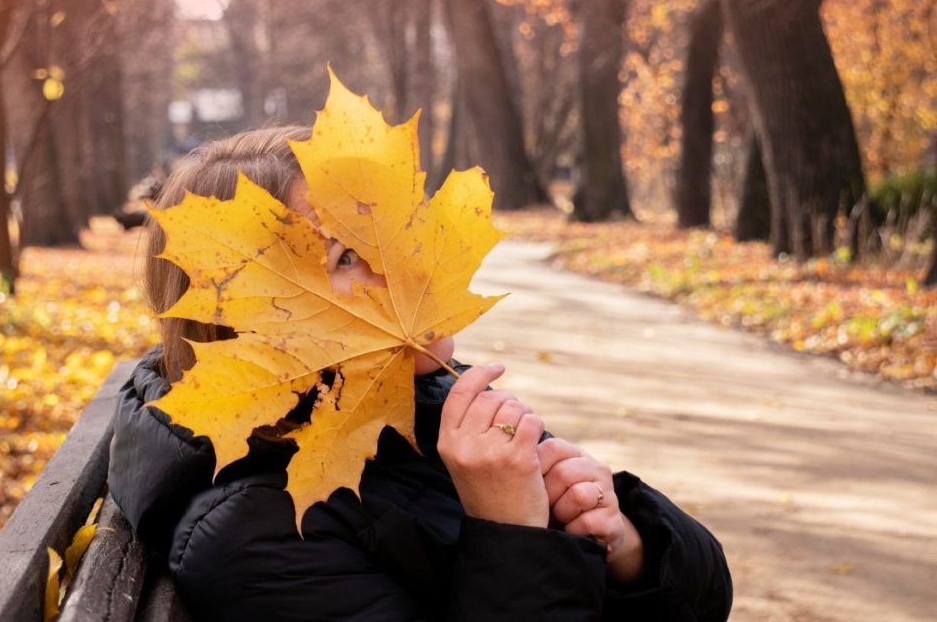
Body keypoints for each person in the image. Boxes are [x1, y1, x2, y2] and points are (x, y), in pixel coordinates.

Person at [109, 126, 733, 621]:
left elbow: (707, 602)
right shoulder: (252, 539)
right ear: (250, 323)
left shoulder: (426, 401)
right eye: (346, 256)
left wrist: (626, 546)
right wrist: (512, 534)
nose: (400, 269)